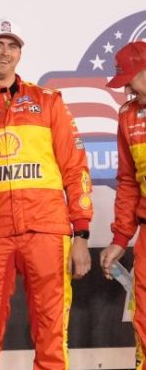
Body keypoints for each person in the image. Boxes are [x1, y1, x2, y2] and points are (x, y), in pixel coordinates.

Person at [0, 19, 93, 370]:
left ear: (20, 53)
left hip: (47, 230)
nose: (5, 52)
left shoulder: (49, 102)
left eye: (13, 46)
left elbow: (75, 169)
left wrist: (82, 234)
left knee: (52, 334)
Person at [100, 41, 146, 369]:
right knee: (143, 317)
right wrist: (120, 238)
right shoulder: (128, 115)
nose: (127, 89)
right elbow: (128, 181)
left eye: (130, 80)